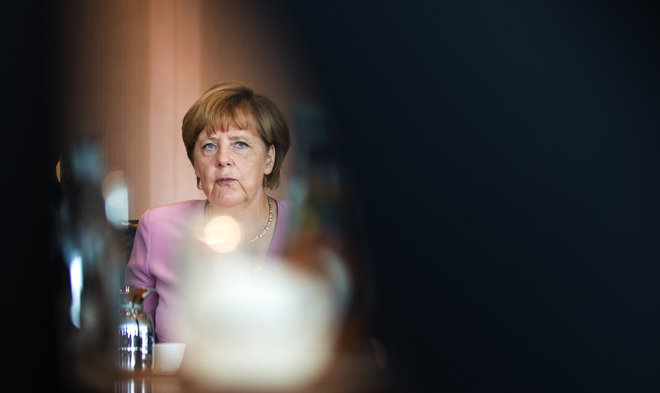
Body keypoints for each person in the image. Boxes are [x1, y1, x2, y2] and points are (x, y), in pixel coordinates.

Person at [125, 81, 291, 343]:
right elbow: (131, 342)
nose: (223, 159)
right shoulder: (156, 229)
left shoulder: (307, 230)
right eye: (209, 146)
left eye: (240, 144)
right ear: (196, 166)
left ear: (269, 159)